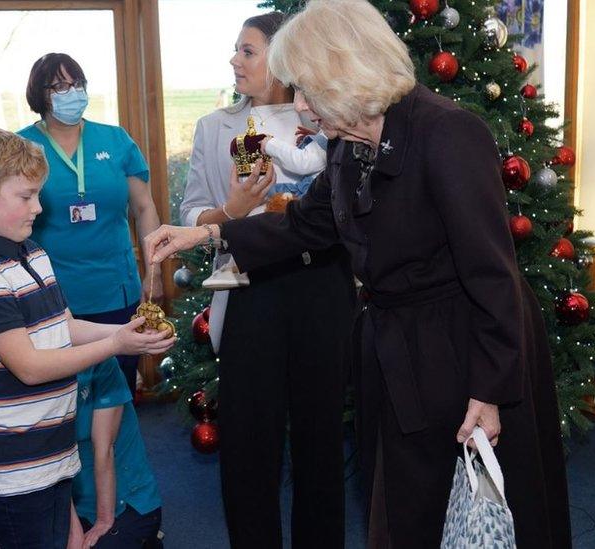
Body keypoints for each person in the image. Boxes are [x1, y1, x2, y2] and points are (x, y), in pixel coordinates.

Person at [144, 1, 571, 547]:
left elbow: (493, 275)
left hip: (465, 346)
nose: (298, 105)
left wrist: (488, 392)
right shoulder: (351, 146)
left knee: (471, 513)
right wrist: (205, 234)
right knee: (401, 500)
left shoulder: (448, 133)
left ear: (345, 70)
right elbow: (304, 225)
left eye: (306, 88)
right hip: (397, 344)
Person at [0, 126, 174, 548]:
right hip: (13, 465)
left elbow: (62, 327)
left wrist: (123, 332)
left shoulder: (32, 252)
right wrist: (117, 345)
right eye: (26, 196)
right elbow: (29, 366)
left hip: (51, 447)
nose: (38, 206)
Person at [178, 11, 354, 547]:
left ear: (282, 61)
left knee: (319, 441)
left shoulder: (331, 119)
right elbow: (191, 214)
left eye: (247, 51)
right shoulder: (217, 128)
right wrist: (229, 211)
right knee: (249, 442)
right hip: (247, 286)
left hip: (320, 287)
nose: (235, 60)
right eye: (236, 50)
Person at [18, 53, 163, 397]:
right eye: (60, 86)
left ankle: (112, 454)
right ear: (41, 93)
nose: (72, 92)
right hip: (49, 296)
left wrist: (153, 270)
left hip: (116, 289)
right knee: (62, 399)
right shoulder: (20, 147)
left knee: (116, 396)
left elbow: (144, 208)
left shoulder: (116, 141)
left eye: (77, 84)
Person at [71, 358, 163, 548]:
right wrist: (72, 528)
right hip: (70, 501)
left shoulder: (101, 364)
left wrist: (104, 520)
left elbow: (103, 450)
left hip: (125, 500)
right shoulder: (33, 372)